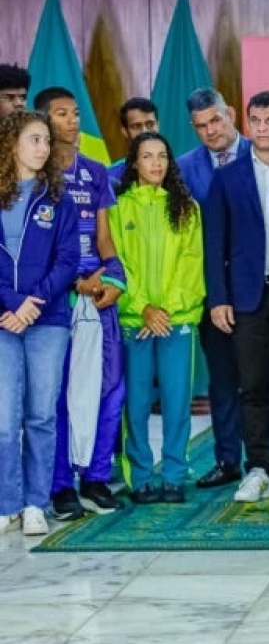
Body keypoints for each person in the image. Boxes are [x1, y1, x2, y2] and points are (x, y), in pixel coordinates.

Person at [203, 91, 269, 508]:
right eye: (256, 120)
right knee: (253, 385)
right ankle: (260, 467)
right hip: (245, 297)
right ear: (246, 124)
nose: (262, 128)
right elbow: (215, 243)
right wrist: (218, 298)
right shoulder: (228, 176)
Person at [35, 87, 127, 520]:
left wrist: (113, 279)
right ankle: (60, 486)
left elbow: (105, 238)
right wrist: (74, 282)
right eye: (61, 114)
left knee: (109, 388)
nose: (72, 121)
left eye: (75, 113)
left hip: (100, 291)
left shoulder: (95, 172)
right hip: (60, 295)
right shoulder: (35, 174)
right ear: (43, 122)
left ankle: (96, 477)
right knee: (59, 394)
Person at [111, 131, 204, 504]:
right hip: (135, 322)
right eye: (147, 156)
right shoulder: (118, 207)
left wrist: (164, 311)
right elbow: (116, 263)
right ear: (134, 162)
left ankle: (174, 473)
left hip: (176, 321)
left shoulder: (186, 208)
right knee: (134, 402)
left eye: (162, 156)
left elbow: (192, 265)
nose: (156, 164)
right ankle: (142, 476)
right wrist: (142, 308)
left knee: (177, 399)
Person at [0, 110, 79, 535]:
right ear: (12, 143)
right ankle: (6, 503)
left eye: (47, 141)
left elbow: (69, 260)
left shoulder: (57, 200)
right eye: (35, 139)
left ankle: (35, 503)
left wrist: (34, 302)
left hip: (47, 320)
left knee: (41, 415)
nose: (44, 147)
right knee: (3, 418)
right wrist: (11, 304)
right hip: (3, 321)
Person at [179, 87, 252, 490]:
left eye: (215, 121)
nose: (210, 131)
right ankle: (228, 460)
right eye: (200, 126)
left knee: (265, 381)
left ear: (230, 114)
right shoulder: (184, 168)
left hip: (262, 290)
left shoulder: (261, 156)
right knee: (222, 381)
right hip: (212, 293)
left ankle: (268, 459)